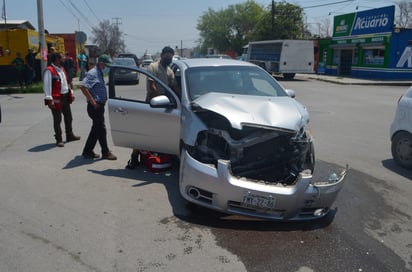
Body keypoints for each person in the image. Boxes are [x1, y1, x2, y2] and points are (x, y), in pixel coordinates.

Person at [126, 46, 180, 169]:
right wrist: (161, 98)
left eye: (171, 57)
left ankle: (161, 155)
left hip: (165, 105)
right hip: (152, 104)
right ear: (161, 55)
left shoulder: (169, 71)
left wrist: (181, 99)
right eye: (167, 56)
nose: (169, 59)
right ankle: (134, 156)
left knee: (163, 133)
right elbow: (152, 86)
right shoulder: (152, 67)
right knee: (144, 132)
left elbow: (175, 87)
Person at [80, 54, 117, 160]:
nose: (106, 68)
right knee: (101, 129)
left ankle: (87, 151)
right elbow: (83, 86)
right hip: (95, 107)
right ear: (101, 63)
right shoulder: (93, 73)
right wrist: (93, 101)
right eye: (105, 65)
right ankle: (105, 152)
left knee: (96, 129)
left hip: (99, 106)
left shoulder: (99, 72)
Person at [43, 52, 81, 147]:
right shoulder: (49, 70)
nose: (63, 59)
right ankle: (59, 139)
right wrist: (49, 99)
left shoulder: (62, 69)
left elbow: (66, 82)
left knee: (69, 117)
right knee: (57, 120)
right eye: (61, 58)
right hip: (56, 98)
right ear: (56, 59)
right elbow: (47, 86)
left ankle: (69, 135)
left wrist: (70, 92)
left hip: (65, 97)